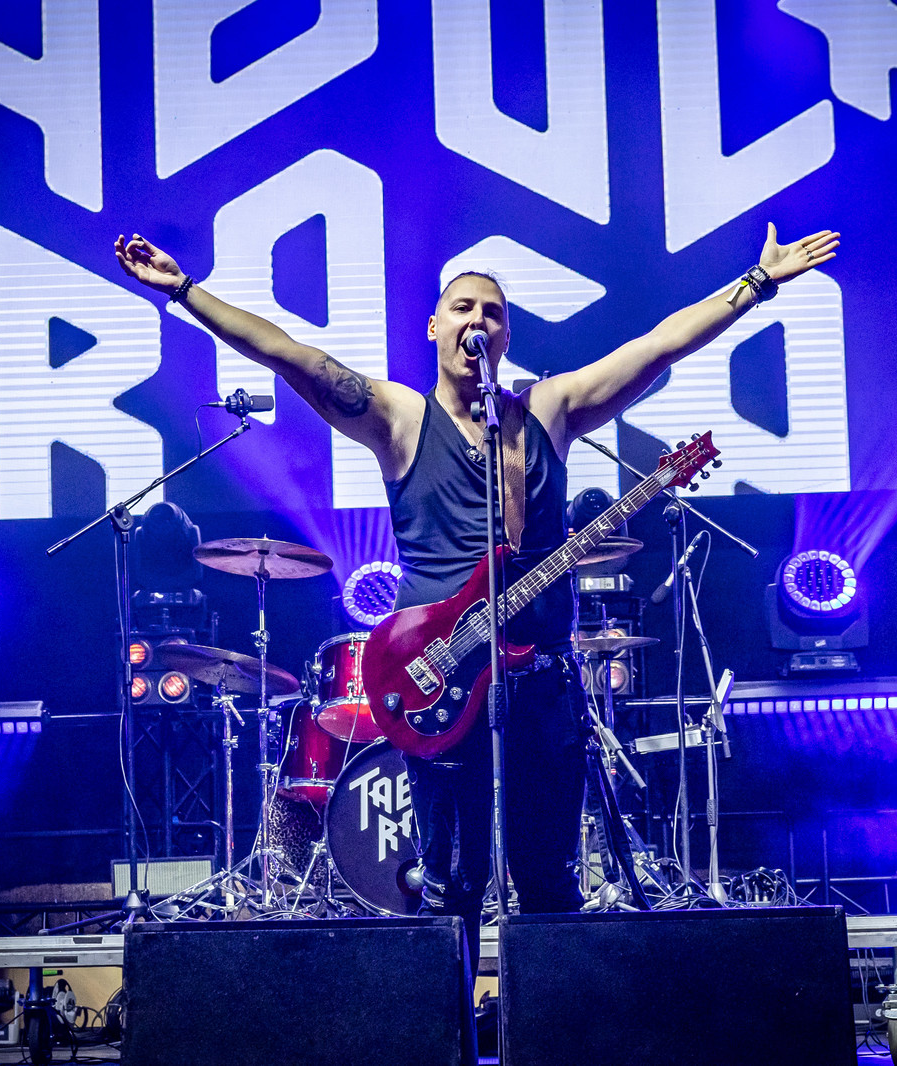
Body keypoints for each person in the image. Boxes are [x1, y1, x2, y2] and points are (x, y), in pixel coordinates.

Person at [114, 224, 839, 962]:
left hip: (542, 684)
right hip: (438, 676)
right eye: (463, 308)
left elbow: (656, 348)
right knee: (453, 886)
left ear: (506, 336)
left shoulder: (547, 411)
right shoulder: (400, 419)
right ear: (434, 327)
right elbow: (291, 355)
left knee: (551, 885)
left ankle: (547, 1023)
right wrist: (186, 292)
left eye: (492, 313)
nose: (478, 321)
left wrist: (757, 284)